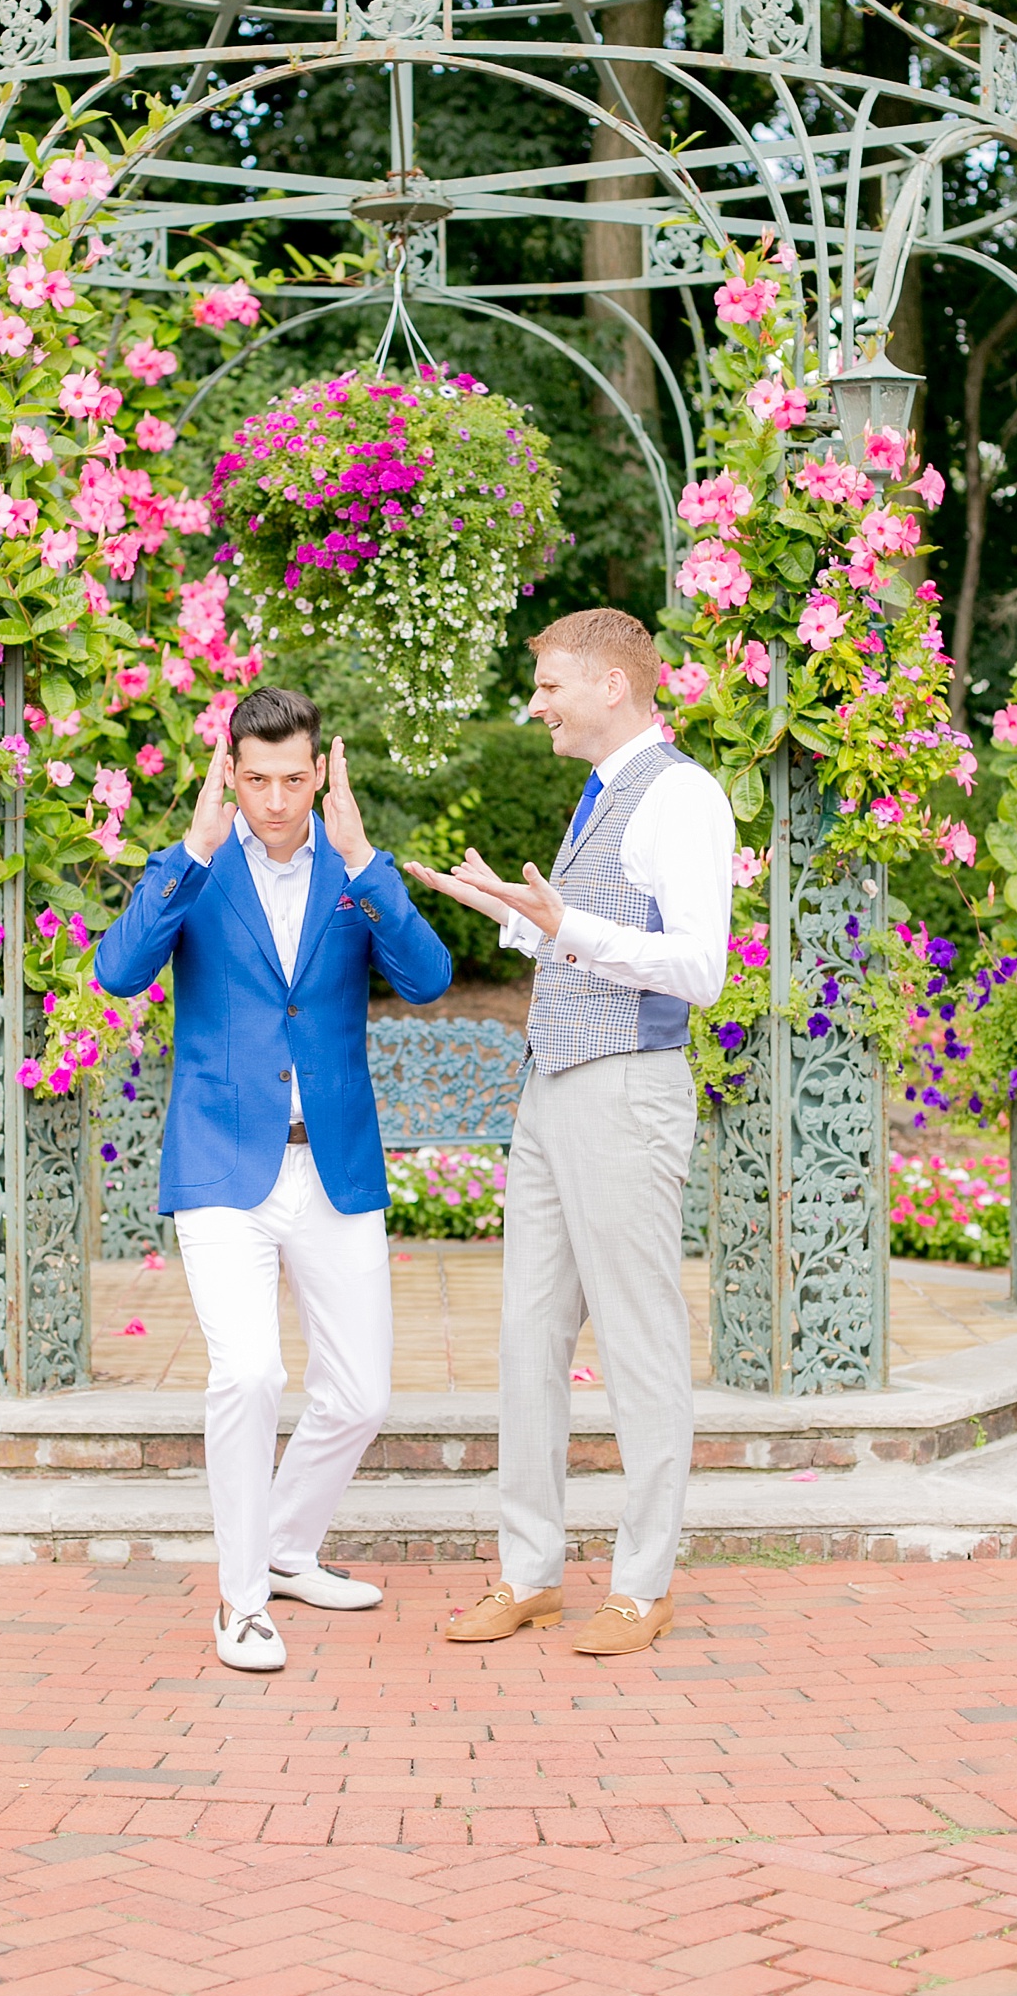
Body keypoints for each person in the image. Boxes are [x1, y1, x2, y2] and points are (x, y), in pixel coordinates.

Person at [93, 685, 452, 1672]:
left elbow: (426, 979)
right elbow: (117, 973)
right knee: (248, 1373)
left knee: (360, 1395)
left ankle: (287, 1549)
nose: (277, 799)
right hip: (220, 1162)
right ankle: (241, 1600)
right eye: (257, 781)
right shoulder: (195, 871)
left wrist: (367, 861)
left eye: (295, 778)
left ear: (320, 772)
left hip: (331, 1163)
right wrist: (193, 850)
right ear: (229, 775)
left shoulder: (352, 872)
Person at [406, 608, 733, 1655]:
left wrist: (562, 927)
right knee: (523, 1342)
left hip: (626, 1091)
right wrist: (508, 911)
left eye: (548, 684)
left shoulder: (681, 796)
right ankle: (528, 1574)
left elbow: (696, 968)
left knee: (638, 1344)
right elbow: (585, 936)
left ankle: (641, 1586)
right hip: (552, 1092)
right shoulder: (599, 795)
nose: (535, 702)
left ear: (610, 685)